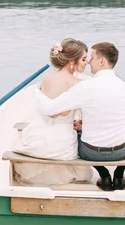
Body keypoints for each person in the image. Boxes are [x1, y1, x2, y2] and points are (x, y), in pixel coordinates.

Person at [34, 42, 125, 191]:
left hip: (90, 153)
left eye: (92, 57)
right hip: (121, 151)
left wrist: (36, 92)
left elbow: (49, 108)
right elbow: (118, 118)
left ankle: (104, 175)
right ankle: (119, 174)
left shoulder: (84, 87)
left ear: (102, 61)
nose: (89, 62)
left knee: (74, 131)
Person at [13, 38, 92, 186]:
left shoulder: (47, 77)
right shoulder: (78, 84)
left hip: (37, 133)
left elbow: (52, 111)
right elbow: (65, 112)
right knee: (86, 173)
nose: (86, 63)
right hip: (61, 140)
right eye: (83, 59)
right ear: (71, 61)